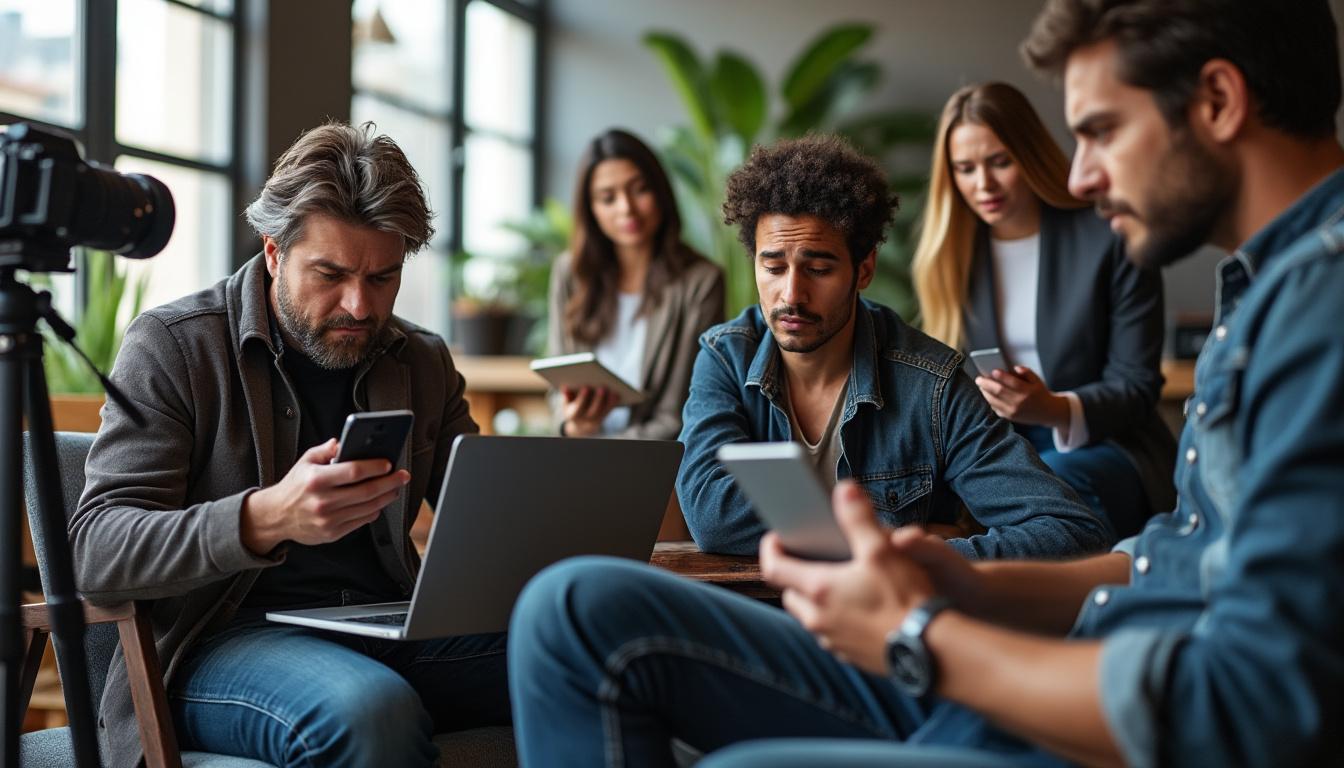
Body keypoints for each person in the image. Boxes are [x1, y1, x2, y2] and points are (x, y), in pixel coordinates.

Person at [506, 0, 1344, 765]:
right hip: (1047, 652)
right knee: (569, 606)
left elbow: (1253, 696)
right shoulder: (1263, 293)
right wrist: (958, 577)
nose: (1080, 177)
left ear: (1220, 102)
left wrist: (920, 631)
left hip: (1070, 690)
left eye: (1099, 130)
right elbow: (1173, 565)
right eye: (773, 265)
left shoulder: (1316, 305)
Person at [70, 122, 510, 768]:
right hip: (219, 641)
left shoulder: (422, 361)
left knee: (590, 644)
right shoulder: (174, 347)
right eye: (330, 274)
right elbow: (94, 551)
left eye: (384, 278)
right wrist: (264, 517)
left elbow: (483, 513)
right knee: (371, 714)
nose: (359, 305)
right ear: (274, 252)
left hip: (385, 624)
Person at [676, 133, 1109, 558]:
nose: (791, 294)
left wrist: (930, 557)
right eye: (773, 267)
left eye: (819, 269)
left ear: (863, 271)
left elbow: (1071, 531)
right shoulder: (726, 356)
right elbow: (711, 517)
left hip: (890, 621)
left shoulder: (931, 384)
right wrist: (902, 534)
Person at [912, 81, 1175, 540]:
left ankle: (1065, 603)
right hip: (997, 446)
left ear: (1030, 155)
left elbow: (1137, 387)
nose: (983, 184)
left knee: (1053, 483)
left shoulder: (1110, 238)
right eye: (965, 169)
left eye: (999, 162)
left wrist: (1052, 408)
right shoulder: (951, 254)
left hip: (1105, 445)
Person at [547, 128, 724, 439]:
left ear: (661, 193)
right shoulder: (570, 273)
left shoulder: (701, 282)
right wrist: (572, 425)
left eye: (640, 189)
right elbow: (558, 388)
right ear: (591, 209)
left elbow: (679, 412)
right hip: (577, 453)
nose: (626, 208)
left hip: (657, 464)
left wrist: (607, 452)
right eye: (608, 198)